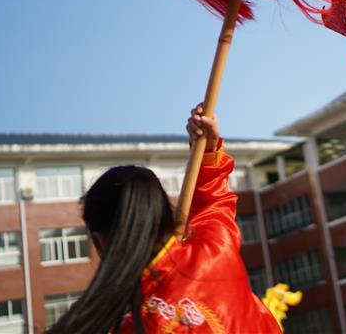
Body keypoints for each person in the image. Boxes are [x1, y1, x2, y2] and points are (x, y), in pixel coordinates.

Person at [49, 105, 282, 334]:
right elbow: (215, 205)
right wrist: (208, 151)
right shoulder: (215, 250)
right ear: (162, 212)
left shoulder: (127, 324)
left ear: (101, 240)